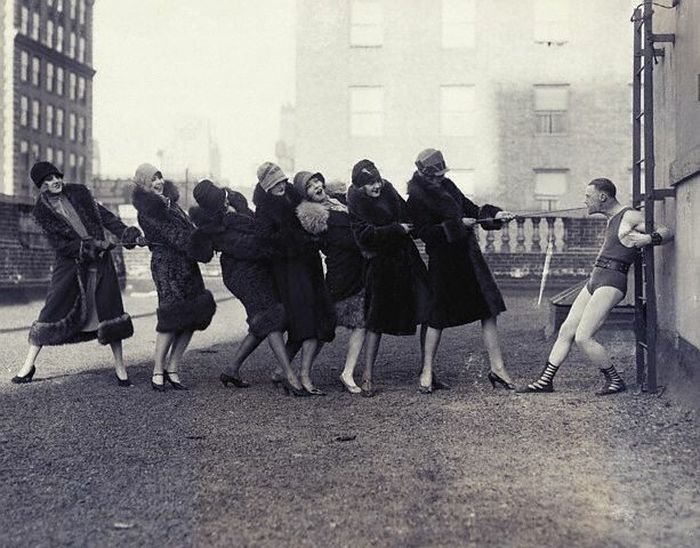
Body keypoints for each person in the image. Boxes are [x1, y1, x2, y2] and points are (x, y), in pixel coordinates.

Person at [520, 177, 673, 395]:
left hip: (612, 281)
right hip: (596, 279)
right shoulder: (612, 219)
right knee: (566, 330)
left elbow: (667, 231)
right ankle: (545, 381)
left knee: (583, 337)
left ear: (602, 196)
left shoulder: (629, 215)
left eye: (588, 197)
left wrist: (648, 239)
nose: (585, 201)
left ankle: (615, 380)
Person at [12, 161, 143, 386]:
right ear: (41, 186)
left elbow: (106, 217)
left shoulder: (80, 193)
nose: (56, 181)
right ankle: (28, 366)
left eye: (57, 176)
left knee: (111, 312)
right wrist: (92, 247)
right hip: (70, 267)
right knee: (51, 311)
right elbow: (61, 246)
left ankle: (120, 367)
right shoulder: (41, 213)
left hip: (100, 264)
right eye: (49, 180)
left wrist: (129, 235)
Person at [406, 148, 516, 393]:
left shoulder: (448, 186)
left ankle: (497, 368)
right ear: (424, 173)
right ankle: (426, 371)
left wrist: (496, 215)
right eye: (436, 175)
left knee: (488, 310)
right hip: (443, 264)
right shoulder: (416, 197)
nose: (441, 178)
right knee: (437, 318)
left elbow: (472, 209)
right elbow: (424, 233)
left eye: (442, 174)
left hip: (468, 260)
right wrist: (456, 225)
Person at [189, 179, 306, 396]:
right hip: (242, 274)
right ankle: (288, 375)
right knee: (270, 317)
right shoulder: (216, 225)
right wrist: (276, 243)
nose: (226, 202)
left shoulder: (235, 205)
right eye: (221, 202)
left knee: (263, 319)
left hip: (257, 270)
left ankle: (231, 369)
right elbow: (251, 246)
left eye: (224, 197)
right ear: (212, 206)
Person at [347, 159, 431, 396]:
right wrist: (396, 229)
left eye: (377, 181)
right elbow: (364, 235)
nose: (376, 186)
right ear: (360, 186)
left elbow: (408, 216)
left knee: (428, 310)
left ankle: (427, 370)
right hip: (381, 265)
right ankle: (367, 377)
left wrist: (416, 221)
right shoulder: (355, 201)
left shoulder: (389, 190)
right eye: (370, 184)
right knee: (376, 320)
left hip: (407, 260)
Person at [253, 162, 336, 395]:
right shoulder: (264, 209)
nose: (280, 186)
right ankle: (303, 376)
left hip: (310, 265)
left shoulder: (294, 195)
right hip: (288, 271)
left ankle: (285, 373)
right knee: (306, 322)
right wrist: (293, 239)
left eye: (281, 181)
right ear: (266, 187)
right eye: (274, 184)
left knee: (319, 319)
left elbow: (312, 218)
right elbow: (265, 242)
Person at [132, 163, 216, 391]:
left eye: (159, 177)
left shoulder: (171, 204)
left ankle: (173, 367)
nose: (158, 182)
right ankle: (158, 370)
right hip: (167, 267)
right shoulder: (148, 210)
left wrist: (203, 238)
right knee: (170, 318)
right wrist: (202, 244)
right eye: (152, 179)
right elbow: (175, 236)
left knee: (193, 316)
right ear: (144, 184)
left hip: (187, 265)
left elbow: (188, 230)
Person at [295, 172, 367, 394]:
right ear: (305, 195)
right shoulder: (315, 216)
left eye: (317, 181)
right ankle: (300, 373)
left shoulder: (337, 201)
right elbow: (343, 240)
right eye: (310, 186)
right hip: (341, 272)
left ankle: (347, 373)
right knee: (324, 327)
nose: (317, 186)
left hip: (356, 269)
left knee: (361, 323)